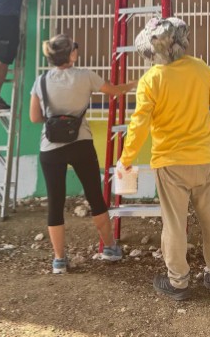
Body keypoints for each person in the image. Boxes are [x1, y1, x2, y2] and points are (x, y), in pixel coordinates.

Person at [117, 17, 210, 301]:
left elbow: (139, 124)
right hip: (205, 159)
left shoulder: (151, 80)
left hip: (170, 164)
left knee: (175, 223)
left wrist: (126, 159)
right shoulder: (200, 68)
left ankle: (178, 282)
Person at [29, 33, 137, 273]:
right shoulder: (86, 76)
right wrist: (132, 84)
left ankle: (59, 260)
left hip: (50, 148)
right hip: (81, 144)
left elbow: (35, 117)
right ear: (72, 54)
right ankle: (109, 248)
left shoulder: (41, 81)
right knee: (95, 196)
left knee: (55, 203)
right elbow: (114, 92)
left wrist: (55, 120)